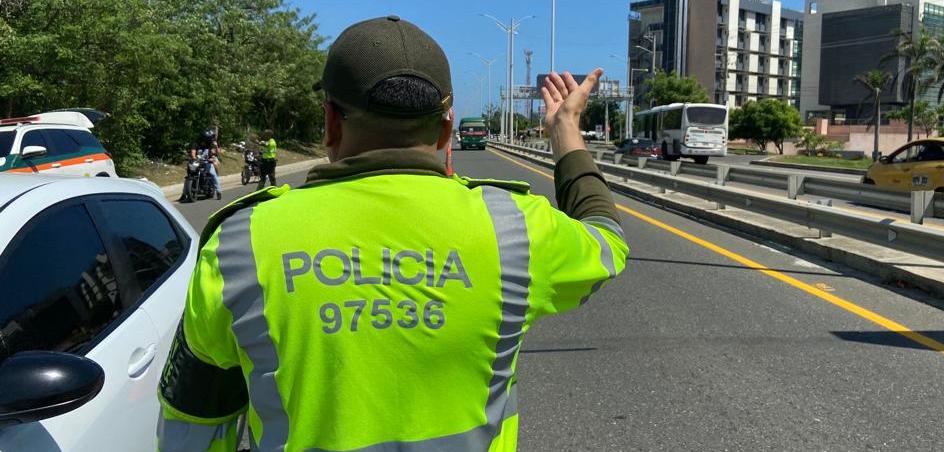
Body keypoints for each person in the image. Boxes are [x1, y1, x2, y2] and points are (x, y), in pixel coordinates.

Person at [156, 16, 627, 452]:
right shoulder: (515, 228)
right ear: (447, 129)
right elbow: (606, 241)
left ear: (330, 122)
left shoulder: (240, 244)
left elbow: (193, 420)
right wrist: (566, 131)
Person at [188, 128, 222, 200]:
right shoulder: (197, 142)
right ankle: (185, 193)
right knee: (189, 174)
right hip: (198, 161)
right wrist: (194, 158)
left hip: (207, 162)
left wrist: (215, 147)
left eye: (210, 138)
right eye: (207, 138)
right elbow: (193, 151)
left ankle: (218, 191)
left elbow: (218, 153)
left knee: (213, 174)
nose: (209, 139)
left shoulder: (213, 143)